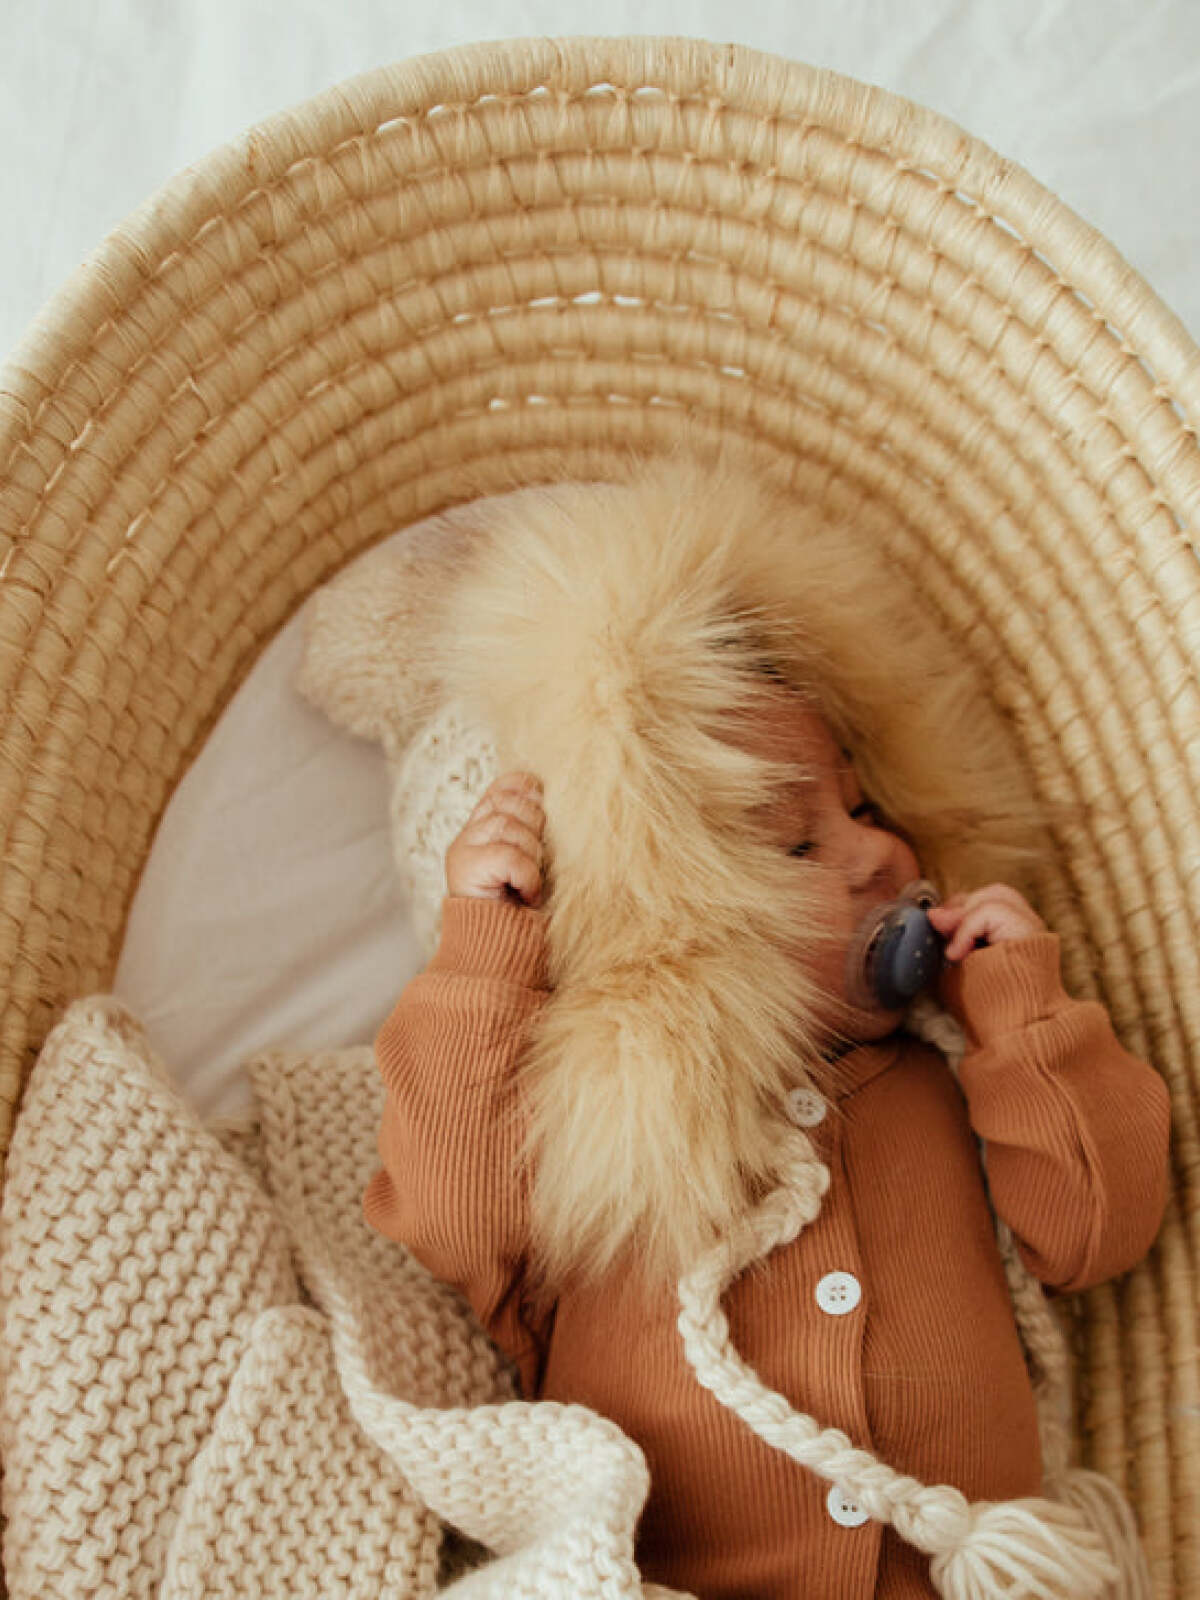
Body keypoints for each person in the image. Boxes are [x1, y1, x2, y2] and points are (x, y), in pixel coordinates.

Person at [362, 460, 1171, 1599]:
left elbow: (1095, 1229)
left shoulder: (939, 1074)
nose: (880, 854)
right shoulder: (603, 1131)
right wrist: (489, 952)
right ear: (644, 920)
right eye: (796, 843)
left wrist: (1023, 1015)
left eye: (870, 808)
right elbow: (450, 1208)